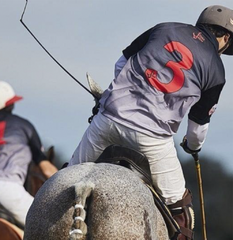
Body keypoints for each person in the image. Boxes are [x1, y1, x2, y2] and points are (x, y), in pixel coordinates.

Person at [68, 5, 233, 240]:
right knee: (182, 211)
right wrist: (192, 147)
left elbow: (120, 64)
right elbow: (197, 130)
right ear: (226, 37)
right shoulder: (217, 71)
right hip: (152, 140)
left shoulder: (164, 28)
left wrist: (117, 98)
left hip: (107, 122)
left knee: (64, 181)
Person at [0, 81, 58, 226]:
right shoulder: (24, 126)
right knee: (48, 227)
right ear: (10, 105)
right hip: (7, 191)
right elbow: (46, 169)